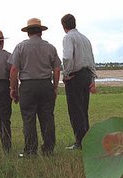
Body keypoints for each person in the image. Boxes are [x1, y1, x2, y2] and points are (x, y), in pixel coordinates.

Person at [9, 18, 61, 157]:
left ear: (28, 33)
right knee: (48, 118)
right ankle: (49, 149)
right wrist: (55, 87)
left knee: (28, 119)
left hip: (27, 86)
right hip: (45, 85)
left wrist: (13, 89)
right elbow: (56, 70)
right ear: (41, 32)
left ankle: (31, 151)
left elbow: (14, 70)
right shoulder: (50, 47)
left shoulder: (20, 47)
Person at [61, 14, 96, 150]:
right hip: (86, 75)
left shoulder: (68, 37)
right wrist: (92, 79)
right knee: (83, 109)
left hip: (75, 76)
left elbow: (67, 57)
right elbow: (91, 60)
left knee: (75, 110)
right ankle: (86, 140)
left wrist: (66, 73)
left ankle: (80, 142)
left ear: (63, 26)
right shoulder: (85, 39)